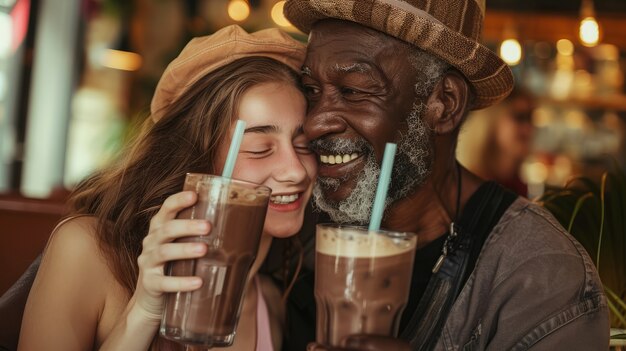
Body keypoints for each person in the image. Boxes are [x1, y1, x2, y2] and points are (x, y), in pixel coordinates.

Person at [278, 0, 610, 350]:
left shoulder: (539, 276)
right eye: (312, 90)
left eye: (354, 91)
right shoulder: (289, 224)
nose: (314, 123)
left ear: (444, 103)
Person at [18, 25, 316, 351]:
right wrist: (143, 311)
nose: (295, 170)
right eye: (259, 148)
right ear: (196, 158)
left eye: (305, 146)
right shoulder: (87, 251)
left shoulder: (274, 302)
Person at [457, 86, 536, 197]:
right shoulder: (470, 188)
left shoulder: (516, 185)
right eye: (520, 117)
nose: (529, 128)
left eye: (530, 118)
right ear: (491, 121)